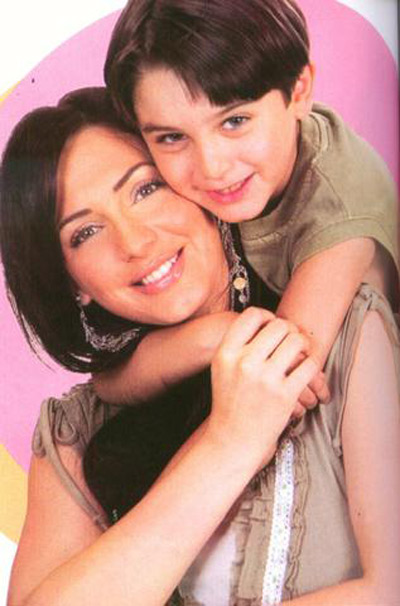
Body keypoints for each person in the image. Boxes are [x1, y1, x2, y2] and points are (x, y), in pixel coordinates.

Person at [1, 87, 399, 605]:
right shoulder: (75, 434)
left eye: (145, 189)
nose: (134, 242)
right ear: (73, 282)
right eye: (86, 232)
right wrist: (229, 441)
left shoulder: (342, 329)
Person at [92, 0, 399, 408]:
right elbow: (106, 383)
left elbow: (273, 390)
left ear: (299, 91)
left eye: (234, 121)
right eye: (172, 137)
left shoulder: (340, 213)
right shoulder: (250, 167)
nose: (212, 167)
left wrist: (210, 340)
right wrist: (214, 334)